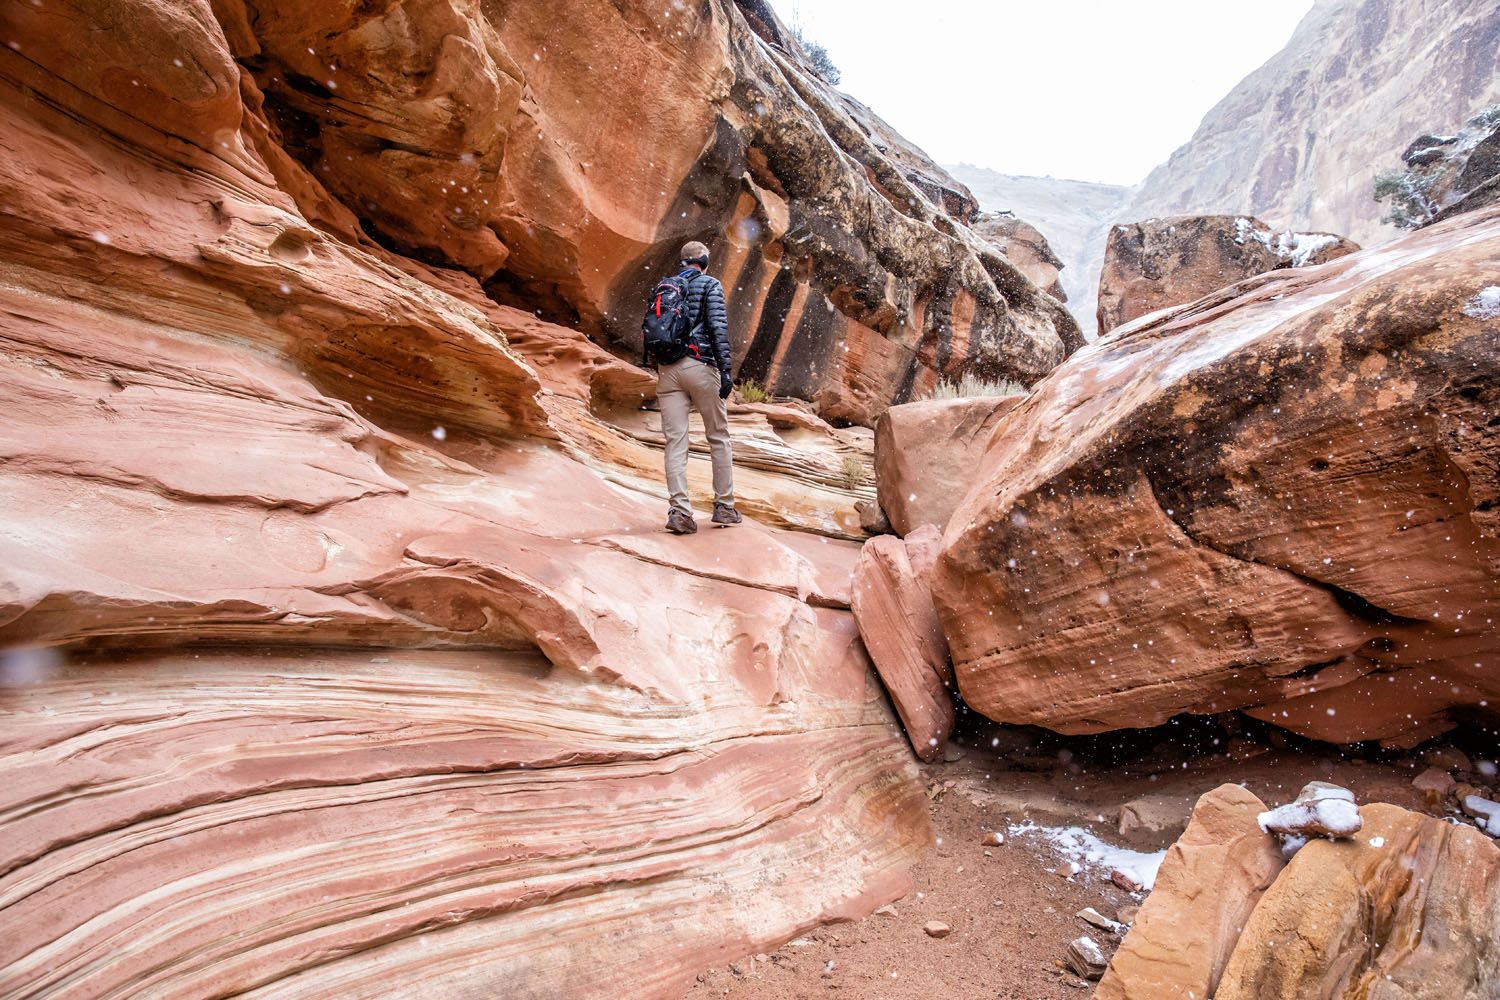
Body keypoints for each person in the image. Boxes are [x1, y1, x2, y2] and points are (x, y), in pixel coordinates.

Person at [645, 240, 739, 535]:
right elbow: (717, 327)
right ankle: (724, 506)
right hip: (700, 365)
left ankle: (680, 512)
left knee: (675, 442)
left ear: (682, 262)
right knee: (718, 436)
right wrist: (725, 370)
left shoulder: (663, 286)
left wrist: (655, 363)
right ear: (705, 261)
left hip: (668, 370)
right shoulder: (710, 284)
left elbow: (650, 327)